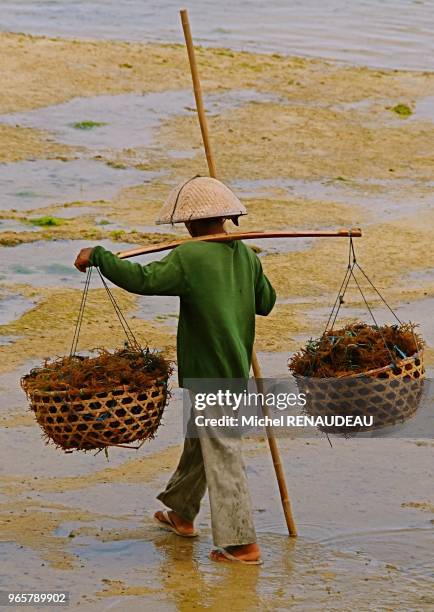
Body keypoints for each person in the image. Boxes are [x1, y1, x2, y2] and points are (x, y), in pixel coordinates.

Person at [74, 176, 276, 564]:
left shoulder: (190, 256)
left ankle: (241, 544)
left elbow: (144, 280)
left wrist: (100, 254)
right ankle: (181, 513)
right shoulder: (247, 255)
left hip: (210, 371)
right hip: (232, 369)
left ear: (188, 224)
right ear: (228, 219)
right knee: (200, 443)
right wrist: (249, 270)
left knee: (222, 452)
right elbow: (266, 302)